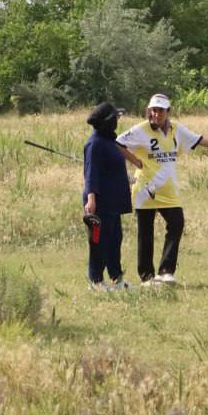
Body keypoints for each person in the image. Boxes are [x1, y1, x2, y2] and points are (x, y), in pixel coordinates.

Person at [116, 93, 208, 284]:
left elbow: (198, 140)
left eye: (160, 111)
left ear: (167, 111)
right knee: (145, 233)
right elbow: (118, 143)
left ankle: (165, 271)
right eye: (153, 110)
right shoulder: (141, 129)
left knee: (176, 223)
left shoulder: (176, 130)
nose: (155, 115)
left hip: (169, 190)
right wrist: (134, 160)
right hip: (146, 189)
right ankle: (147, 277)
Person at [83, 102, 134, 291]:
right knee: (99, 242)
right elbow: (91, 173)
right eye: (116, 118)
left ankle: (116, 279)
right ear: (108, 121)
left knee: (114, 240)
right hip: (100, 202)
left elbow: (111, 167)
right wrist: (91, 199)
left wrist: (124, 178)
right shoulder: (94, 144)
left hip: (113, 202)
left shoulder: (108, 141)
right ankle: (95, 281)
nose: (118, 121)